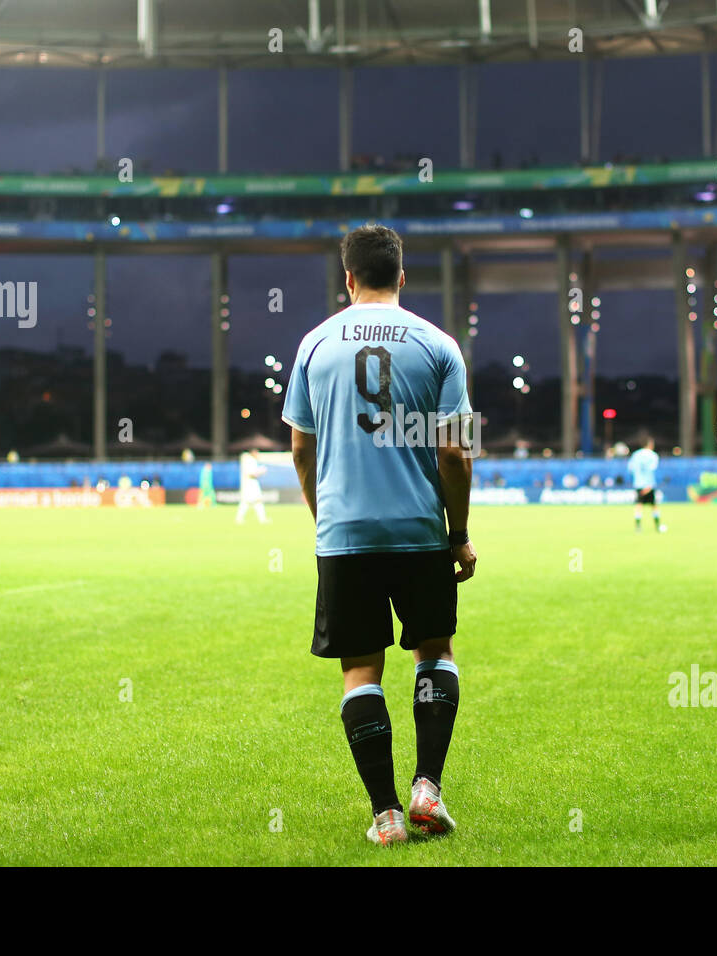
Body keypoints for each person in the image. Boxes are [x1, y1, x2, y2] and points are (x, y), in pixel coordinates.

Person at [282, 223, 476, 847]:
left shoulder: (313, 345)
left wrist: (325, 519)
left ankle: (386, 815)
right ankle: (428, 790)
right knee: (434, 653)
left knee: (360, 671)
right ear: (401, 274)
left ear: (347, 277)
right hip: (419, 531)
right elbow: (456, 454)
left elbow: (301, 452)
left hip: (345, 535)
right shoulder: (439, 345)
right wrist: (459, 533)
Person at [628, 436, 665, 533]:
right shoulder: (653, 455)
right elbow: (653, 469)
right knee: (654, 506)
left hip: (638, 484)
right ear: (650, 444)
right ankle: (657, 526)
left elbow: (630, 469)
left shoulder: (635, 455)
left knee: (639, 505)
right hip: (649, 484)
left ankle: (638, 527)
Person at [235, 449, 268, 523]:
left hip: (250, 484)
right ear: (254, 453)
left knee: (256, 501)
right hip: (250, 484)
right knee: (246, 502)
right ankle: (239, 518)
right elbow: (251, 473)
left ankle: (262, 519)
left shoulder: (249, 460)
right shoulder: (250, 461)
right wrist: (261, 471)